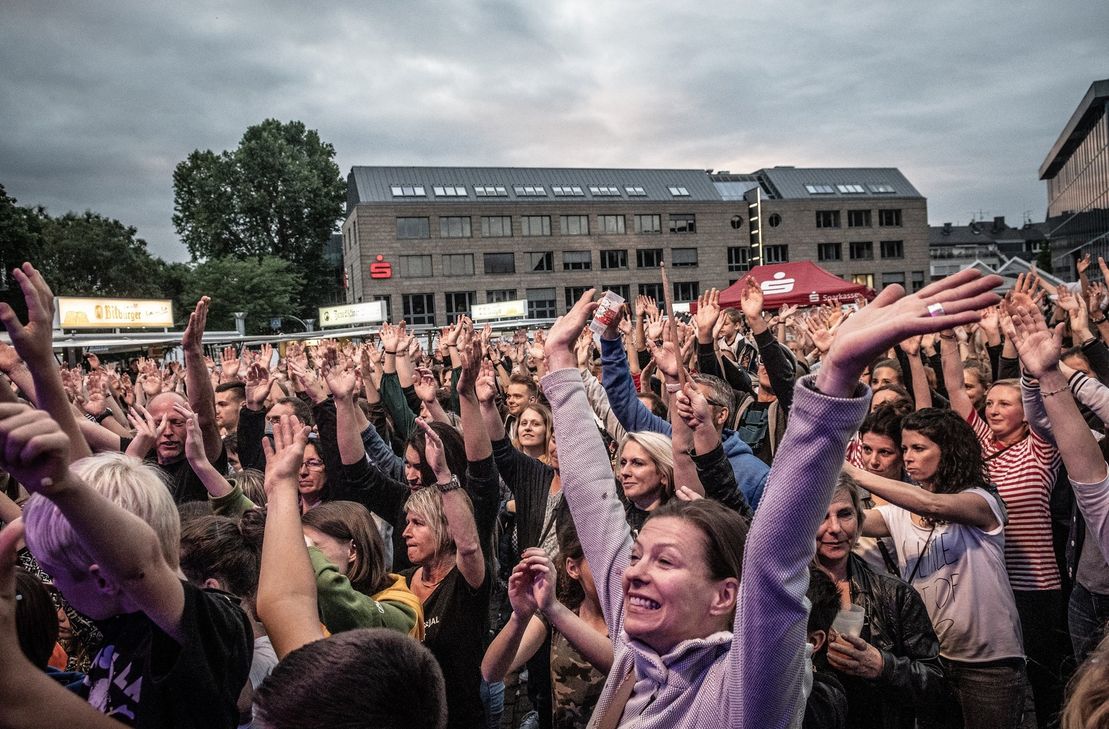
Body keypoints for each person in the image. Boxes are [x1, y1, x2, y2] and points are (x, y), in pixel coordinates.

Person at [539, 271, 1000, 728]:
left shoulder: (746, 692)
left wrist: (835, 381)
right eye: (637, 556)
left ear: (725, 596)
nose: (633, 573)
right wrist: (560, 362)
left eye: (665, 562)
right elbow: (595, 506)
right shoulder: (640, 643)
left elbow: (773, 555)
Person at [847, 408, 1027, 729]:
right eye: (905, 448)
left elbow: (933, 504)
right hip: (932, 658)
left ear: (949, 451)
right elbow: (848, 524)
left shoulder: (981, 501)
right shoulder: (898, 514)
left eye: (919, 448)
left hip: (987, 662)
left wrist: (851, 471)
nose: (909, 457)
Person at [941, 313, 1064, 728]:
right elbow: (955, 390)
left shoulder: (1042, 448)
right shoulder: (981, 444)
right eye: (990, 403)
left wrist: (1032, 362)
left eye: (1004, 404)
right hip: (991, 583)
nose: (992, 409)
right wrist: (948, 339)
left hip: (1036, 584)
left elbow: (1039, 404)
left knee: (1044, 677)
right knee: (1004, 679)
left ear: (1026, 413)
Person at [814, 474, 952, 729]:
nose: (835, 528)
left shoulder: (894, 593)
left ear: (859, 520)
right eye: (821, 516)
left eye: (845, 514)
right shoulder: (786, 593)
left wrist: (883, 666)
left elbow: (936, 684)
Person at [481, 509, 611, 729]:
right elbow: (492, 671)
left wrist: (553, 609)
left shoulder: (633, 615)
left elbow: (624, 666)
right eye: (600, 558)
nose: (613, 568)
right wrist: (520, 617)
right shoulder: (565, 606)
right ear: (573, 568)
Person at [300, 500, 423, 637]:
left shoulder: (404, 609)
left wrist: (311, 553)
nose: (305, 557)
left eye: (314, 547)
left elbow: (354, 618)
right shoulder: (315, 600)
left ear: (353, 550)